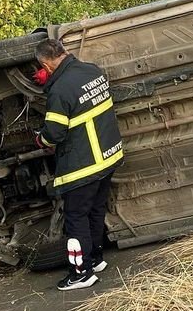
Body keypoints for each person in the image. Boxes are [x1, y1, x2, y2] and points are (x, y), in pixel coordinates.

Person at [31, 38, 124, 290]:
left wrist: (39, 138)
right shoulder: (92, 71)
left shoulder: (60, 90)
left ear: (45, 66)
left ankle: (80, 273)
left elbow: (54, 134)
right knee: (95, 210)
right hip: (108, 157)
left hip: (84, 165)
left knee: (75, 218)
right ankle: (95, 259)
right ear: (64, 52)